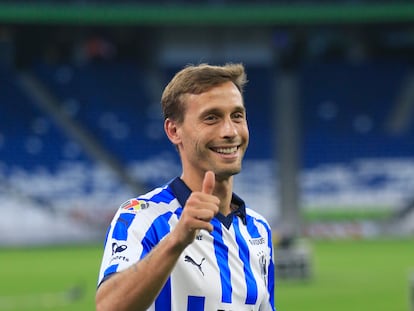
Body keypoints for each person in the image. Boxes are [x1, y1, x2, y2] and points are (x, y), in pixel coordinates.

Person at [96, 63, 276, 311]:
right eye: (211, 118)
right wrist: (177, 239)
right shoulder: (142, 217)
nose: (229, 131)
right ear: (173, 131)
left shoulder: (258, 231)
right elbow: (108, 307)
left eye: (237, 116)